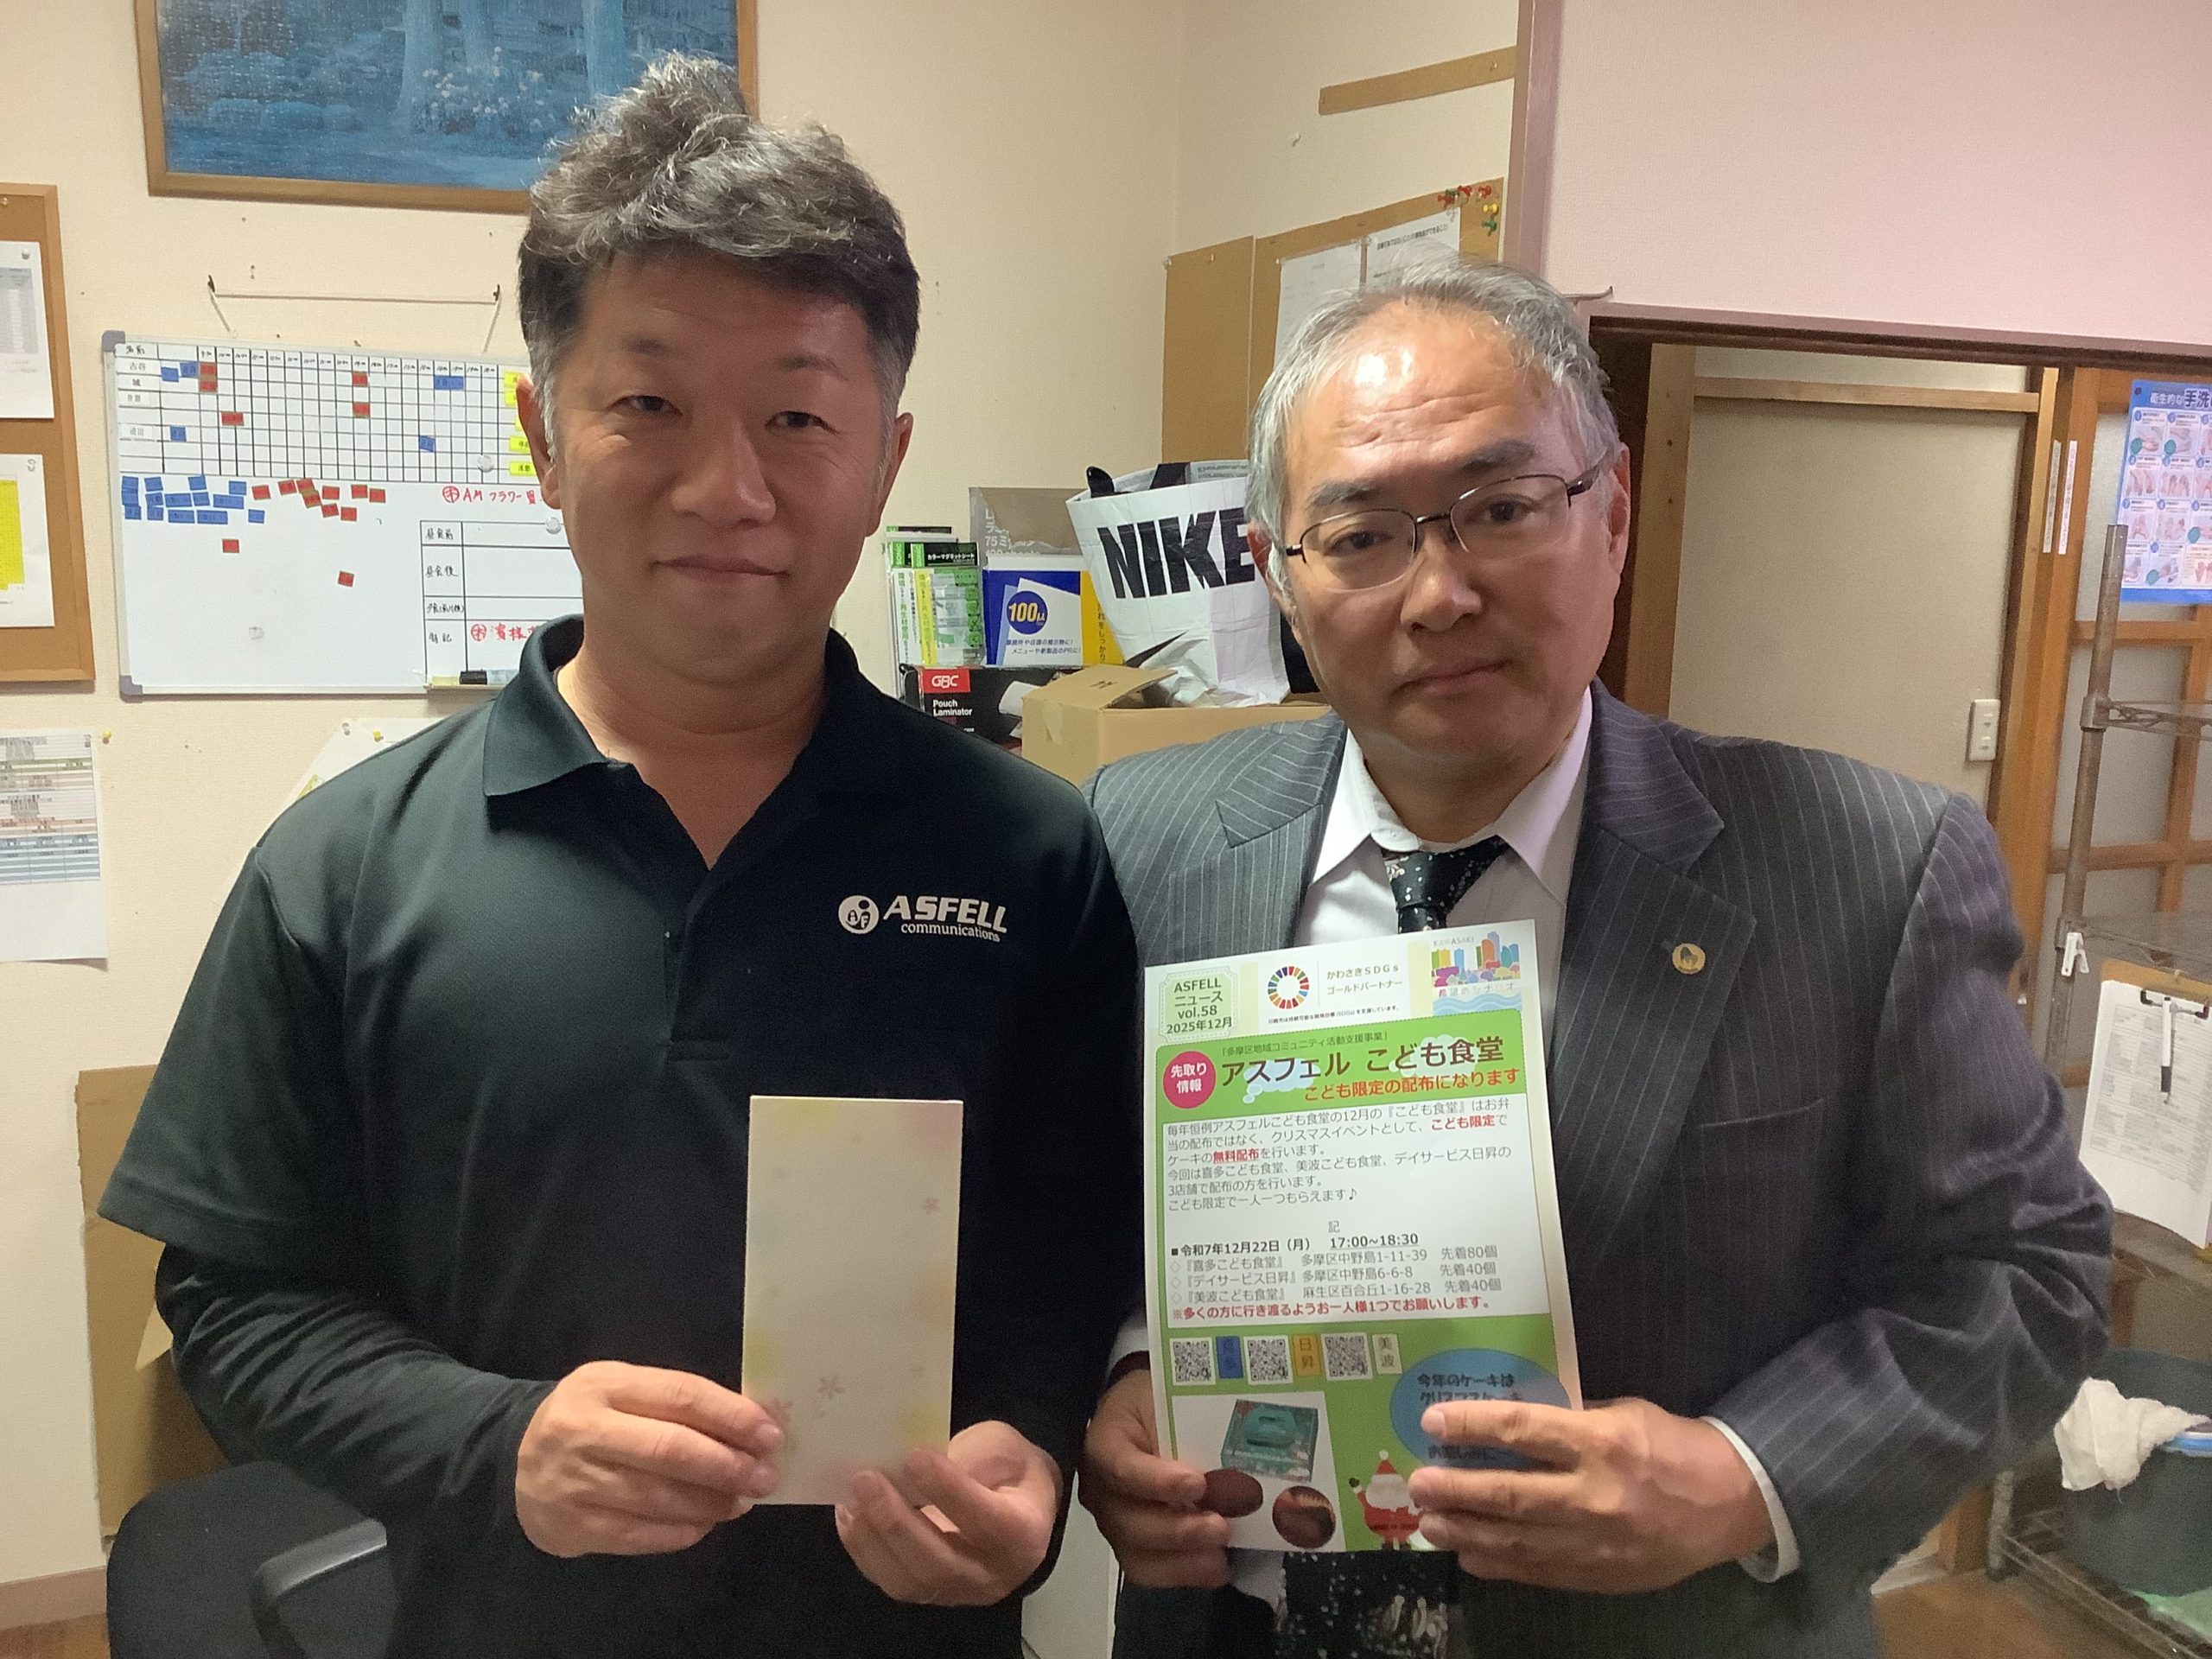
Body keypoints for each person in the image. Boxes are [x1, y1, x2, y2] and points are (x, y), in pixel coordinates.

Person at [100, 55, 1138, 1659]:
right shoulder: (347, 867)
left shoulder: (1027, 849)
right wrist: (496, 1442)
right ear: (541, 432)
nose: (728, 489)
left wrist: (1033, 1439)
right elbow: (235, 1303)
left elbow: (1073, 1253)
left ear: (883, 459)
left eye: (797, 416)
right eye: (648, 405)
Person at [1077, 258, 2111, 1657]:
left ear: (1612, 516)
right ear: (1281, 575)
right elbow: (1075, 1206)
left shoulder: (1866, 867)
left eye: (1502, 509)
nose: (1440, 593)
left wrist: (1743, 1479)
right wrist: (1129, 1371)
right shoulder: (1142, 838)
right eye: (1363, 534)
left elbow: (2025, 1270)